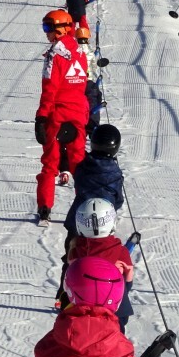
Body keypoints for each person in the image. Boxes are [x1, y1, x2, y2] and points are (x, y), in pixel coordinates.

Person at [54, 124, 124, 307]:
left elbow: (75, 162)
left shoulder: (84, 166)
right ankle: (98, 292)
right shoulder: (115, 174)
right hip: (102, 223)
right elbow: (117, 201)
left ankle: (64, 295)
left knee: (71, 257)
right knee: (102, 258)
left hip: (78, 221)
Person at [34, 9, 89, 224]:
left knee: (50, 163)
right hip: (77, 114)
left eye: (49, 28)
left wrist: (41, 117)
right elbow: (83, 80)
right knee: (78, 163)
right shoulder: (80, 51)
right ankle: (84, 206)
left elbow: (50, 88)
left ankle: (45, 207)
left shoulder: (54, 54)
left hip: (57, 114)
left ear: (62, 28)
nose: (46, 33)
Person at [68, 198, 135, 333]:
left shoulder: (75, 252)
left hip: (81, 308)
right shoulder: (121, 253)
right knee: (113, 340)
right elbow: (128, 280)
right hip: (115, 309)